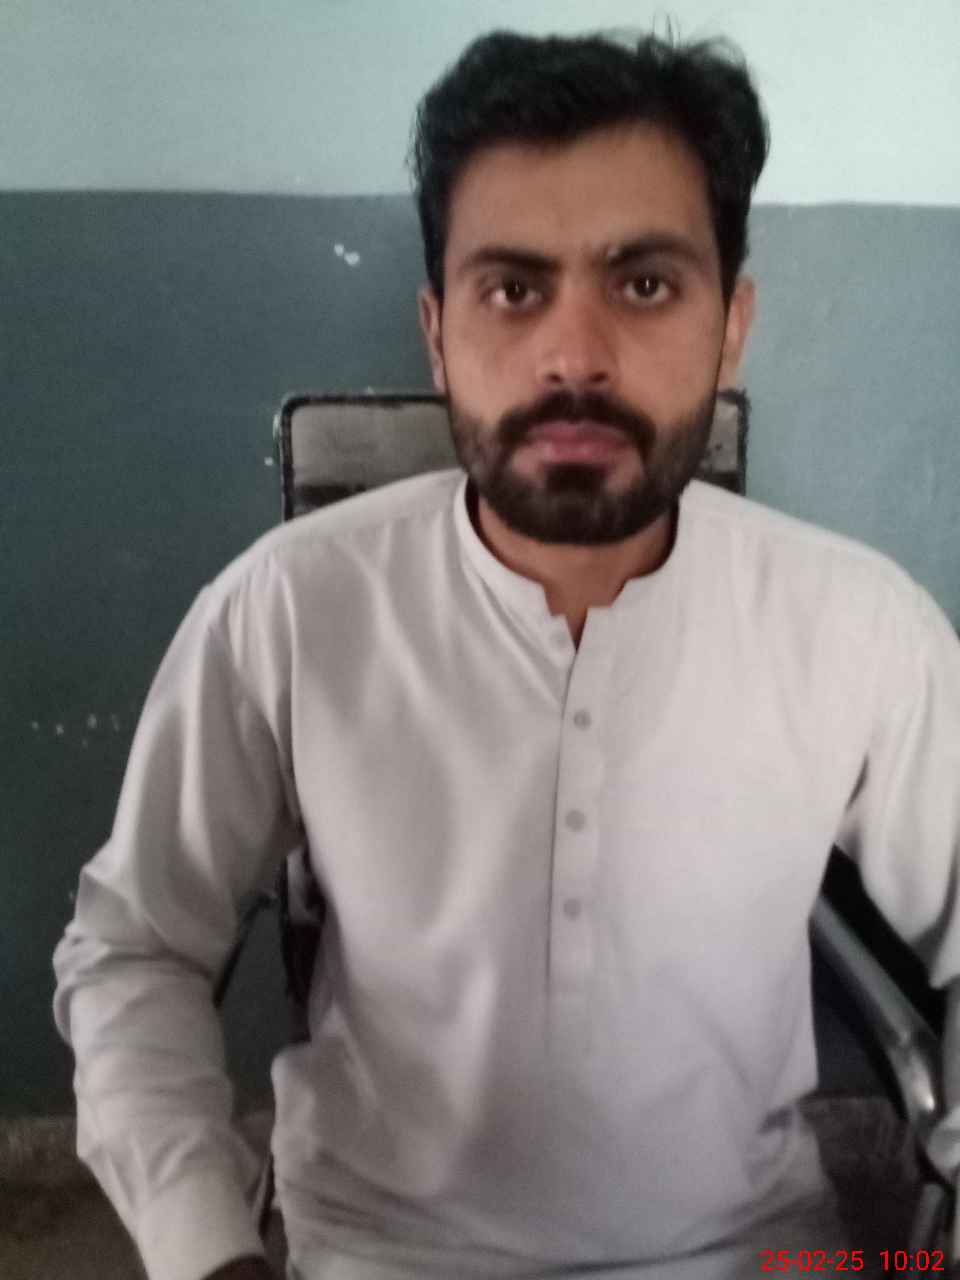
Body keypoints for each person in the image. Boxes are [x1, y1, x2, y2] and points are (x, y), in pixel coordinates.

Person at [53, 26, 960, 1280]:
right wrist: (208, 1248)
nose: (574, 355)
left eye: (645, 285)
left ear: (732, 324)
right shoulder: (290, 608)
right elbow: (136, 946)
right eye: (514, 290)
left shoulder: (859, 625)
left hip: (756, 1256)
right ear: (437, 332)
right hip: (377, 1254)